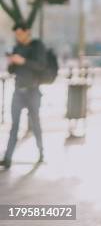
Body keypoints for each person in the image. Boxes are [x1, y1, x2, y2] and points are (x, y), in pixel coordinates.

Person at [1, 22, 47, 168]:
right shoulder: (17, 47)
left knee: (35, 123)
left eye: (20, 33)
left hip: (33, 91)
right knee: (14, 125)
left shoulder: (37, 46)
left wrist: (23, 61)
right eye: (16, 35)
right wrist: (12, 62)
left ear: (27, 32)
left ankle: (41, 152)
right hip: (18, 91)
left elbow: (41, 65)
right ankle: (7, 158)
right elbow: (11, 70)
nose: (18, 37)